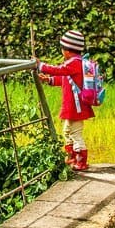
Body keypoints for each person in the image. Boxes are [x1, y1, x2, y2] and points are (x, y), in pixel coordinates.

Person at [36, 29, 94, 171]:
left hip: (76, 108)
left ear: (67, 50)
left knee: (75, 133)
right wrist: (49, 80)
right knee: (67, 132)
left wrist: (41, 66)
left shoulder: (74, 63)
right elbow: (64, 79)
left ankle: (81, 161)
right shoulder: (74, 64)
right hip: (72, 107)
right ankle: (72, 157)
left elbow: (59, 70)